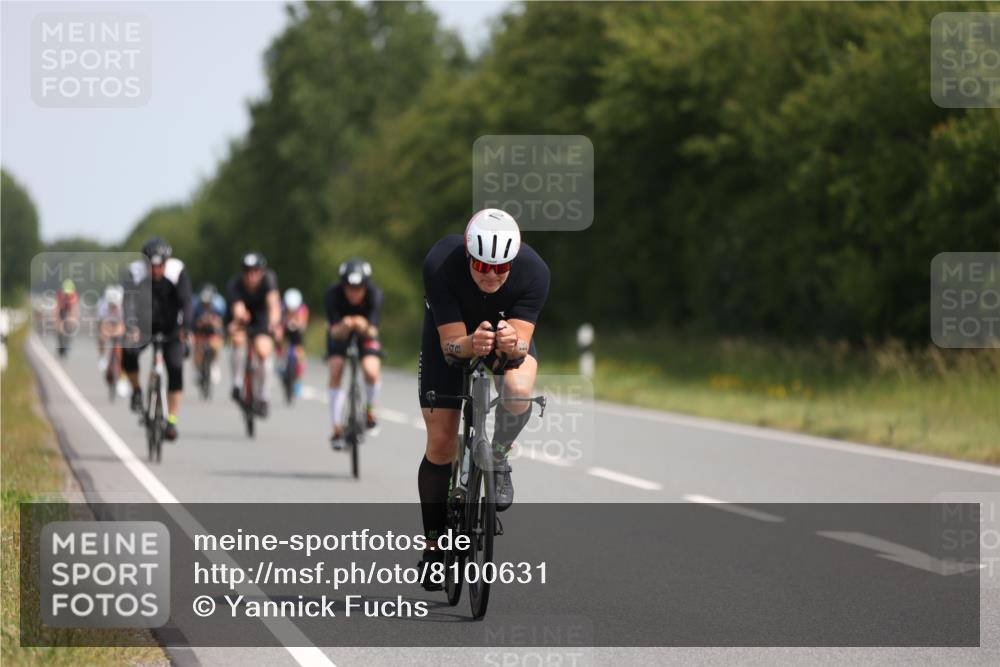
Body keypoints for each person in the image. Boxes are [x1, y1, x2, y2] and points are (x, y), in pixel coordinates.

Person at [416, 209, 549, 589]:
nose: (490, 275)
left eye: (500, 267)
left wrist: (513, 344)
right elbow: (451, 345)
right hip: (454, 337)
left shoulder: (535, 271)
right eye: (480, 265)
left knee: (519, 391)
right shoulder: (441, 263)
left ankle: (500, 456)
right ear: (468, 254)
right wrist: (471, 344)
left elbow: (522, 342)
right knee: (441, 443)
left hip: (501, 337)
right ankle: (434, 547)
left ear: (513, 260)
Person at [122, 237, 193, 441]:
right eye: (151, 266)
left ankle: (171, 419)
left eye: (160, 266)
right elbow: (128, 303)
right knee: (128, 350)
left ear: (166, 262)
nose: (156, 271)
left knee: (176, 367)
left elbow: (187, 303)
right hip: (144, 326)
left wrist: (186, 329)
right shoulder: (135, 273)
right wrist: (131, 327)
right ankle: (136, 390)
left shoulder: (177, 272)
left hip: (172, 327)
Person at [324, 258, 383, 449]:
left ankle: (370, 411)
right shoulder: (332, 294)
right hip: (340, 334)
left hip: (365, 333)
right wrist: (345, 325)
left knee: (371, 370)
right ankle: (337, 428)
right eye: (349, 287)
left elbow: (373, 331)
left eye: (359, 288)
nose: (354, 292)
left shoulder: (375, 294)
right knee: (336, 368)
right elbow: (333, 331)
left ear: (366, 286)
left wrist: (361, 324)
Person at [226, 252, 282, 417]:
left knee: (264, 351)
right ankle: (237, 383)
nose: (252, 276)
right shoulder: (235, 284)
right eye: (248, 271)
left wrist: (274, 324)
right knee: (237, 340)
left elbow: (274, 305)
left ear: (262, 271)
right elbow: (237, 307)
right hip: (242, 318)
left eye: (256, 271)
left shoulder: (269, 279)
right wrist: (241, 316)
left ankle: (264, 396)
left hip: (261, 318)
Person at [192, 283, 226, 385]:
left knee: (216, 345)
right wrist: (200, 323)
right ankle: (198, 368)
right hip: (199, 331)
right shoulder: (195, 306)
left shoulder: (219, 305)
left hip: (213, 331)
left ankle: (213, 363)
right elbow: (191, 323)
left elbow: (221, 323)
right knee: (197, 347)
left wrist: (214, 323)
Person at [280, 287, 310, 397]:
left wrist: (298, 324)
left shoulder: (302, 309)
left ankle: (298, 381)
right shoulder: (281, 308)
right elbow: (277, 322)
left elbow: (303, 324)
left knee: (300, 355)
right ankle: (280, 364)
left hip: (297, 334)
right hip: (285, 332)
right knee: (280, 344)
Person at [96, 284, 126, 371]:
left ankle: (121, 364)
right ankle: (102, 357)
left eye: (115, 305)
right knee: (102, 338)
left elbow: (122, 325)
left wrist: (117, 332)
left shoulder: (123, 307)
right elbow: (102, 325)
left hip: (118, 323)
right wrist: (106, 333)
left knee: (121, 341)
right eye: (111, 305)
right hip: (106, 323)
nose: (113, 307)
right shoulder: (102, 306)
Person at [55, 279, 80, 353]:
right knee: (59, 328)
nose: (67, 295)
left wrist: (73, 321)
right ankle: (60, 342)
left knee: (70, 326)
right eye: (65, 293)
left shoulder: (74, 296)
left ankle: (67, 343)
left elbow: (74, 310)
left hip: (70, 310)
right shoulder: (59, 295)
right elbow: (57, 309)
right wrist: (57, 321)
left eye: (68, 293)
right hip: (62, 310)